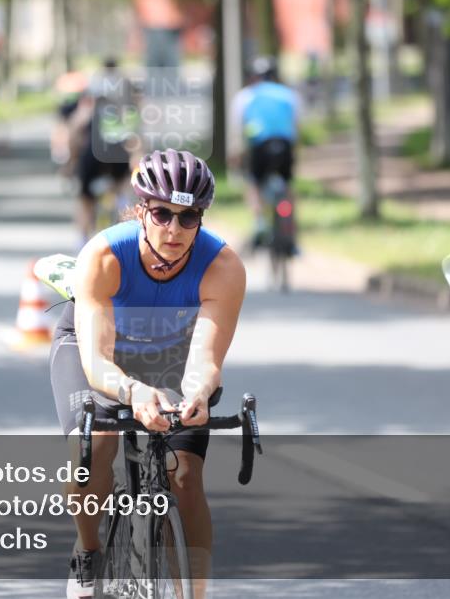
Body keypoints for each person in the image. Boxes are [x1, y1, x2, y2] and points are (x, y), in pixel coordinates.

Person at [50, 149, 246, 599]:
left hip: (172, 355)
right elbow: (97, 361)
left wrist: (197, 391)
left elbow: (206, 358)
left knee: (185, 475)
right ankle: (89, 549)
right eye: (161, 214)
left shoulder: (223, 267)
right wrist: (132, 390)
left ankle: (195, 593)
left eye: (188, 217)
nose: (174, 230)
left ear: (202, 218)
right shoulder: (103, 255)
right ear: (141, 210)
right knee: (96, 448)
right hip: (97, 351)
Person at [230, 56, 302, 248]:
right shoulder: (289, 95)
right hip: (284, 145)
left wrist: (236, 153)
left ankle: (259, 222)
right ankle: (290, 232)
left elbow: (237, 128)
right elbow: (296, 125)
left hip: (260, 146)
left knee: (253, 183)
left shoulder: (246, 96)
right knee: (287, 186)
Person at [71, 58, 139, 247]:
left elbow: (76, 129)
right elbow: (135, 134)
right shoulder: (124, 93)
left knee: (84, 197)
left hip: (92, 154)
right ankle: (127, 227)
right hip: (119, 154)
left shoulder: (94, 89)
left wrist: (71, 160)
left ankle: (82, 239)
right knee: (125, 188)